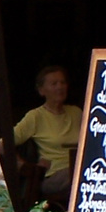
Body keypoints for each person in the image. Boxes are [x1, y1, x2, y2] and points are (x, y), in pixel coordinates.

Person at [13, 65, 81, 201]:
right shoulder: (36, 116)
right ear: (42, 91)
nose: (60, 87)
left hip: (81, 168)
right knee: (80, 176)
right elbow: (2, 145)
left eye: (63, 82)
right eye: (54, 84)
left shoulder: (76, 112)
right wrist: (23, 165)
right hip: (55, 175)